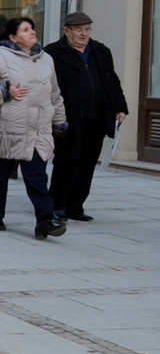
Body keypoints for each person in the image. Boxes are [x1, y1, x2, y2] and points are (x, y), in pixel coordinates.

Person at [0, 16, 68, 239]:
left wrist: (60, 121)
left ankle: (45, 221)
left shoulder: (46, 59)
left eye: (32, 28)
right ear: (13, 37)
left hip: (38, 128)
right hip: (9, 125)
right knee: (1, 171)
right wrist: (5, 91)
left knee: (37, 175)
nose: (32, 32)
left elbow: (55, 93)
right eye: (26, 30)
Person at [44, 11, 129, 223]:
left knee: (88, 162)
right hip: (67, 117)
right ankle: (57, 204)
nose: (84, 34)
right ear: (67, 31)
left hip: (97, 117)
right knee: (67, 160)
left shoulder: (101, 51)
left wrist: (121, 107)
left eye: (87, 29)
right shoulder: (53, 53)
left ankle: (76, 206)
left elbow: (112, 81)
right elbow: (46, 86)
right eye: (78, 30)